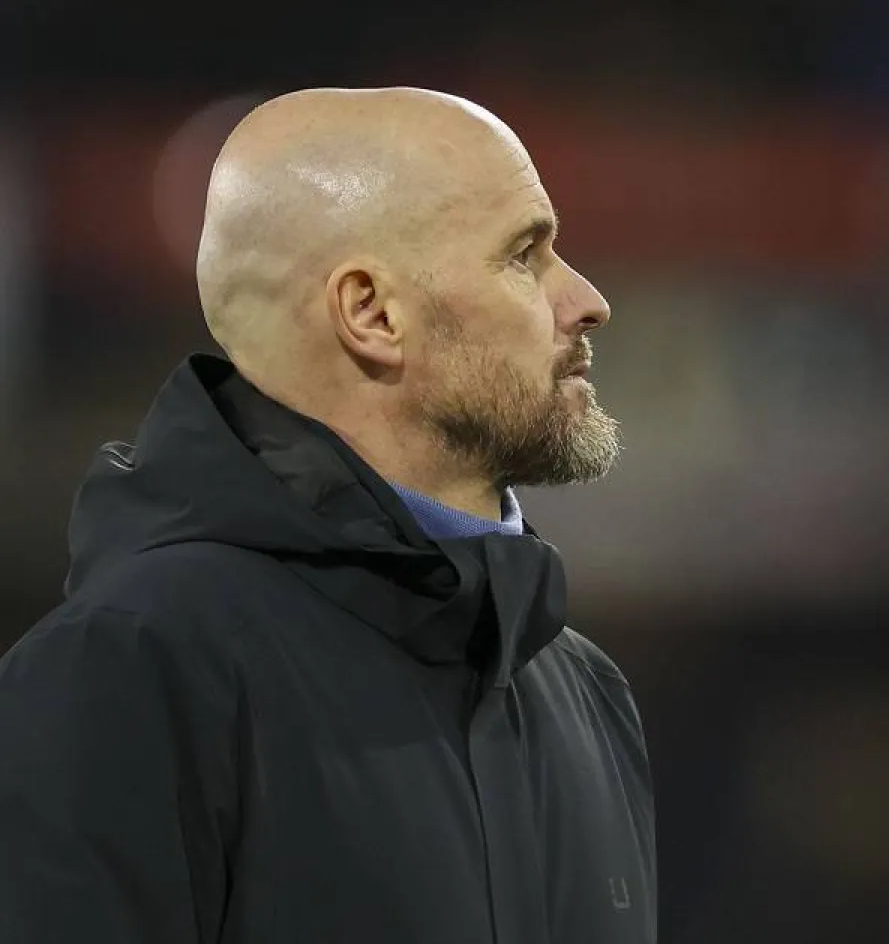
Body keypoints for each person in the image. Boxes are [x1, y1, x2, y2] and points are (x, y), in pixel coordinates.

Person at [0, 87, 655, 943]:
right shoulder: (129, 669)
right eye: (524, 255)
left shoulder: (586, 693)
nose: (587, 299)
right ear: (373, 313)